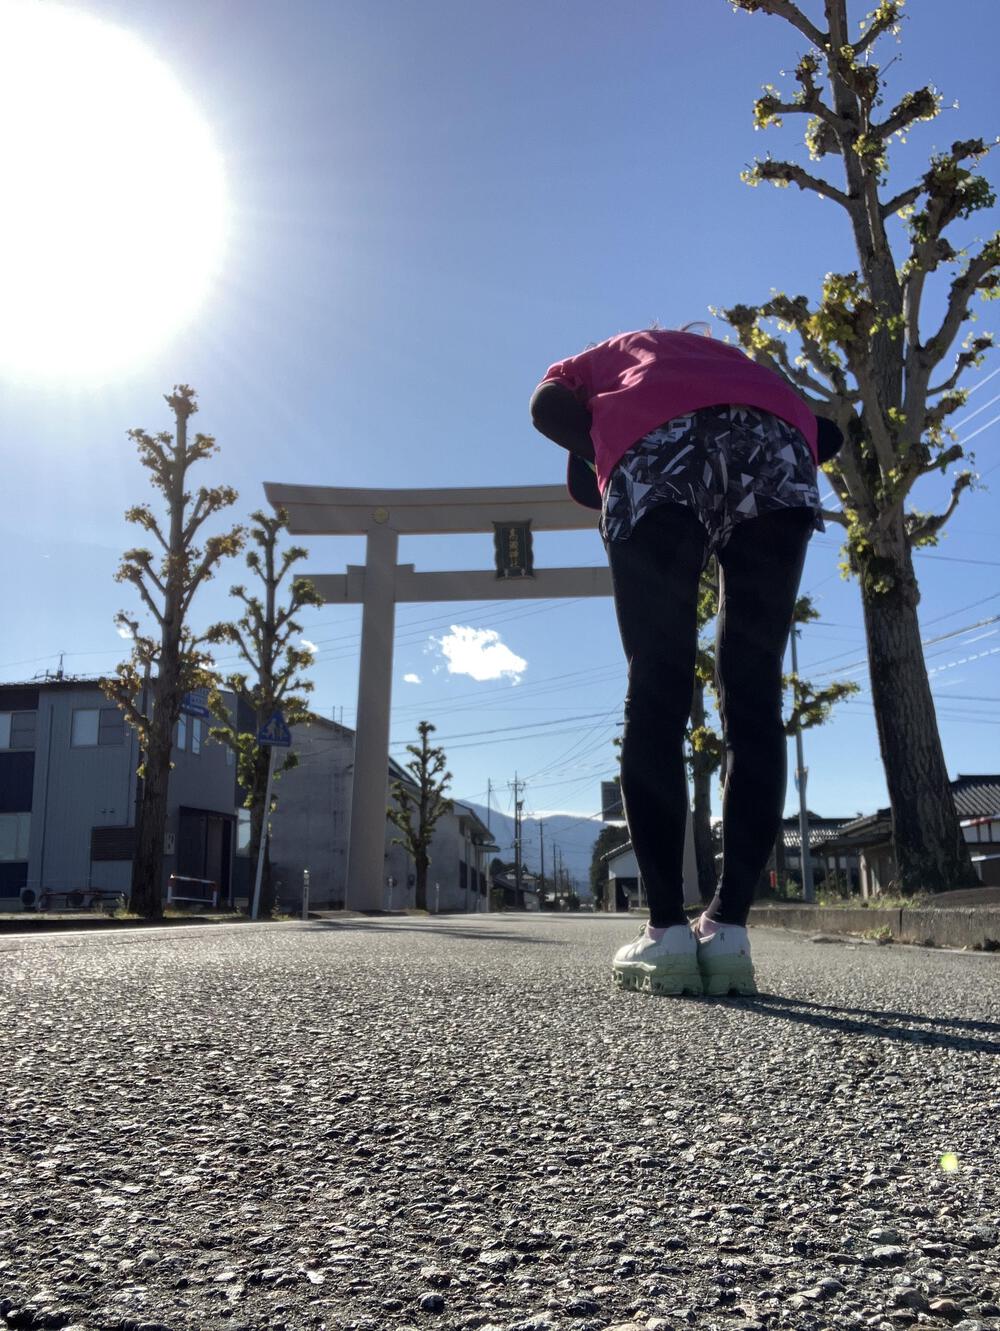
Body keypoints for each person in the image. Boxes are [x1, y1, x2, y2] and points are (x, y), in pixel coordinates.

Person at [530, 326, 842, 997]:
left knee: (657, 685)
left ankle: (667, 931)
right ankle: (728, 931)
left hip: (654, 447)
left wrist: (608, 446)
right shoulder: (745, 364)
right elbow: (828, 434)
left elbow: (546, 404)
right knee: (754, 694)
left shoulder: (611, 352)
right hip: (778, 444)